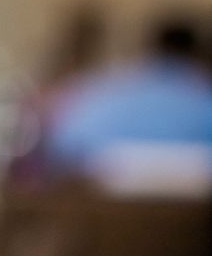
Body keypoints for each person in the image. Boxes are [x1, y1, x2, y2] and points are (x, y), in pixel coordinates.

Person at [45, 18, 212, 178]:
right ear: (198, 53)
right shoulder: (203, 96)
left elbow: (63, 143)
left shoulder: (102, 90)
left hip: (96, 202)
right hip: (195, 205)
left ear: (150, 48)